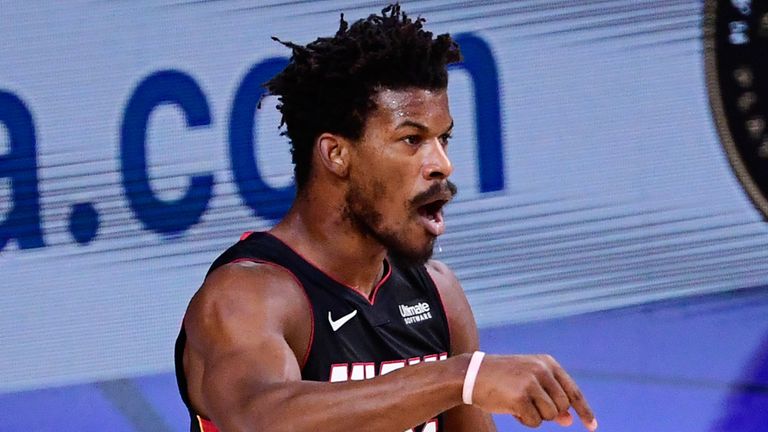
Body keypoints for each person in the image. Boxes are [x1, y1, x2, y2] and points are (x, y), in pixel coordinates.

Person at [174, 4, 598, 432]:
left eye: (443, 138)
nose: (442, 164)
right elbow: (260, 418)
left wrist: (461, 381)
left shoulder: (439, 293)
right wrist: (457, 376)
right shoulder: (248, 295)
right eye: (411, 139)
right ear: (337, 154)